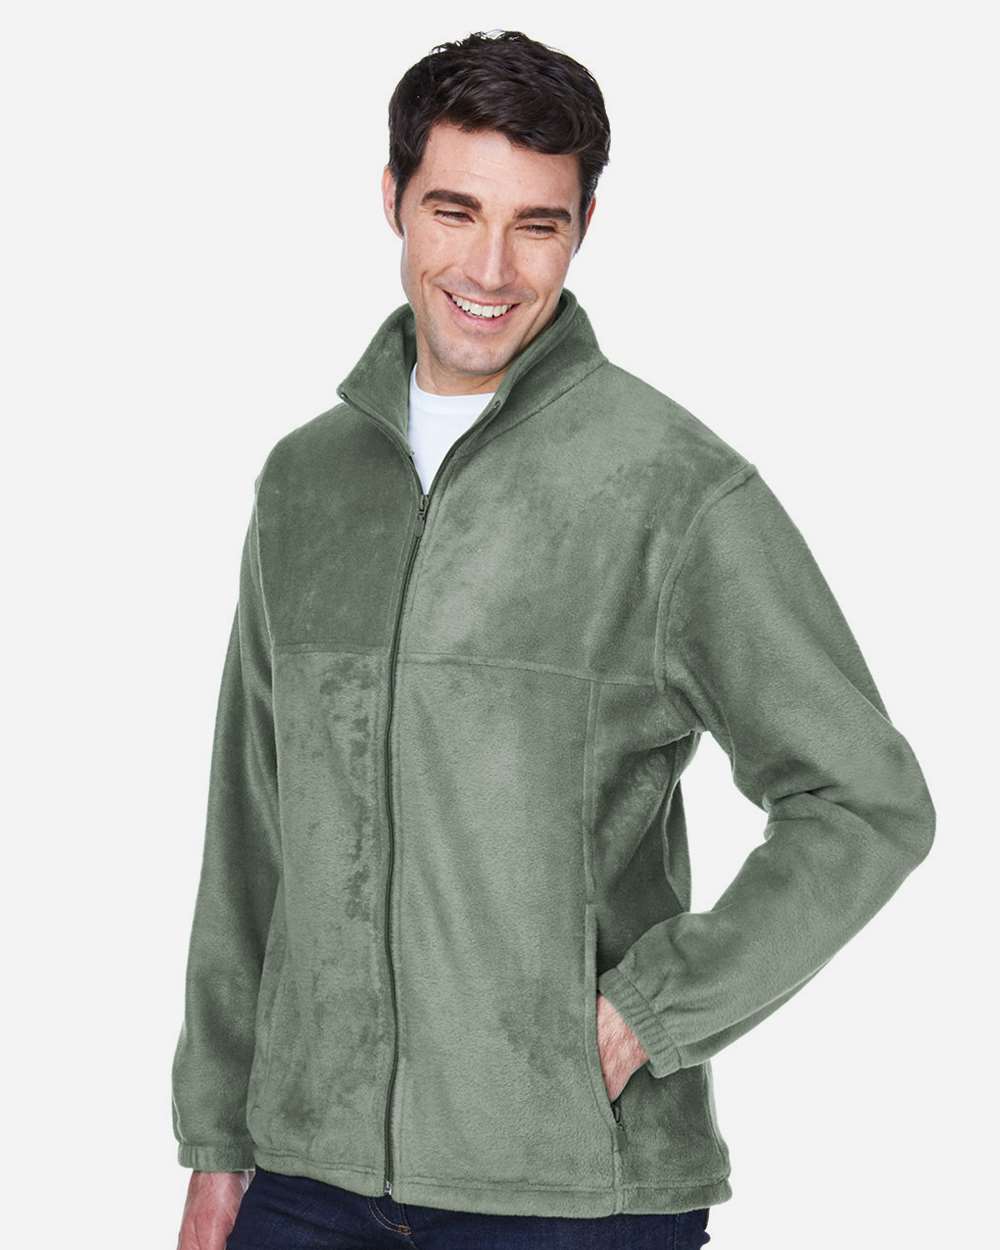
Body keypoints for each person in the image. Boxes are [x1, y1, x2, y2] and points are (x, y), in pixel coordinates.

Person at [172, 29, 935, 1250]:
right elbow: (249, 827)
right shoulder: (305, 483)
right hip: (308, 1174)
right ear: (392, 198)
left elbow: (864, 798)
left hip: (568, 1189)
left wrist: (647, 1011)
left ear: (583, 227)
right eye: (454, 210)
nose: (489, 266)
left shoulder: (671, 488)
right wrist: (218, 1139)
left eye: (537, 223)